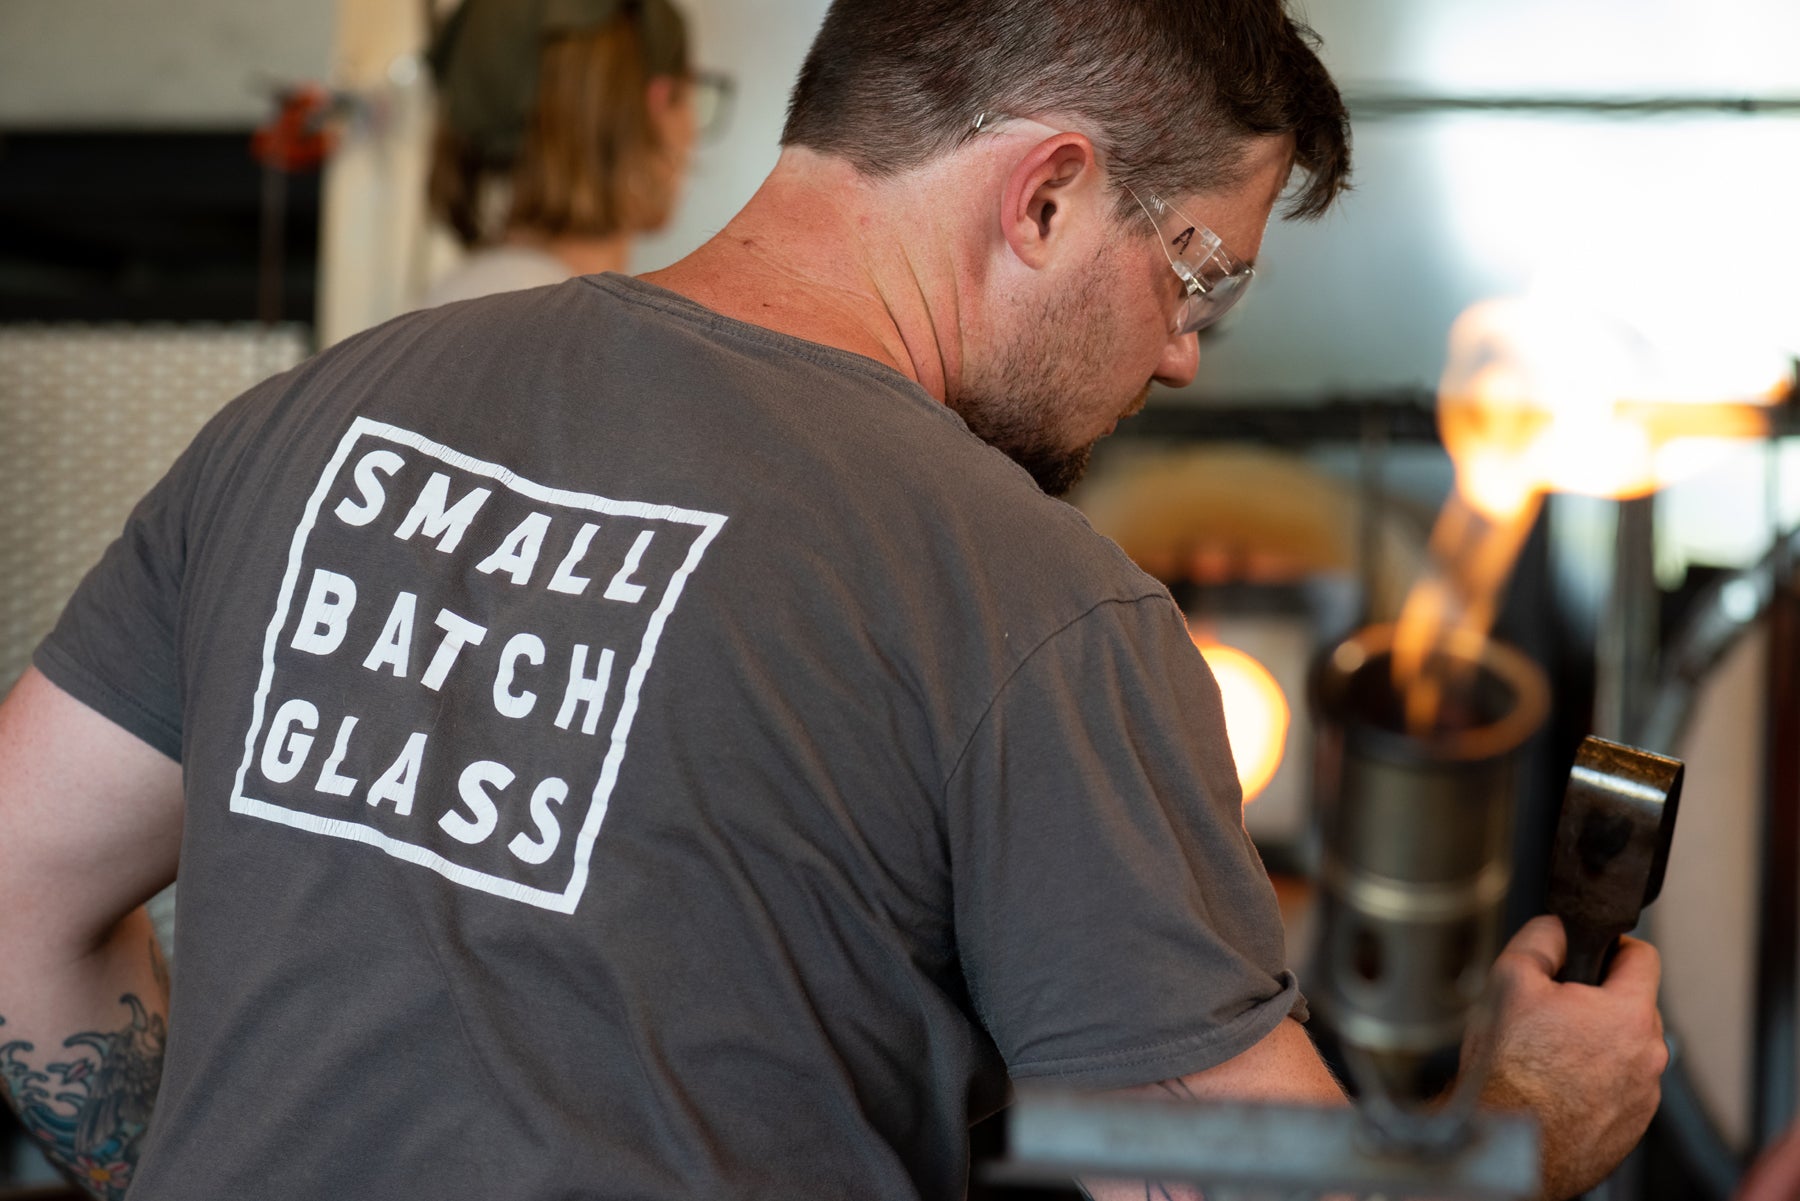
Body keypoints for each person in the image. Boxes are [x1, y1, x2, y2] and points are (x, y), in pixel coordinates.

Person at [0, 2, 1666, 1199]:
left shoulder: (315, 417)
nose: (1182, 346)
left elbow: (16, 895)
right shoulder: (1032, 603)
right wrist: (1524, 1122)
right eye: (1201, 271)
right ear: (1048, 195)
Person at [421, 0, 722, 306]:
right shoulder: (572, 319)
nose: (692, 132)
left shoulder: (471, 294)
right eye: (687, 94)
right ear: (656, 105)